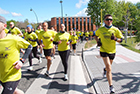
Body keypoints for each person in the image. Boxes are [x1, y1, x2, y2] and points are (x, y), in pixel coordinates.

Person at [0, 15, 32, 94]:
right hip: (1, 76)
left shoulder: (13, 39)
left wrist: (22, 61)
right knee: (15, 91)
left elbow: (29, 46)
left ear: (4, 26)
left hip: (12, 76)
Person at [95, 14, 124, 93]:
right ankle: (111, 86)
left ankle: (104, 69)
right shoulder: (100, 29)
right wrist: (98, 42)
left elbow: (121, 39)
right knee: (109, 68)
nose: (109, 21)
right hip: (104, 50)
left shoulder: (115, 29)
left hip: (112, 51)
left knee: (108, 67)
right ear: (104, 21)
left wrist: (115, 39)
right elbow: (96, 35)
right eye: (107, 19)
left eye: (110, 19)